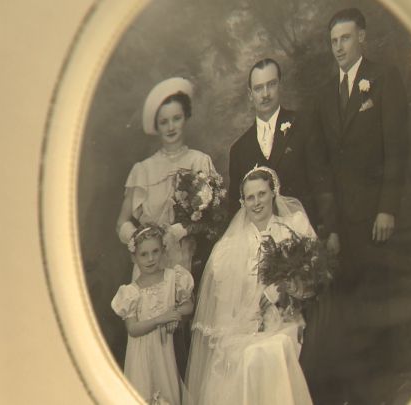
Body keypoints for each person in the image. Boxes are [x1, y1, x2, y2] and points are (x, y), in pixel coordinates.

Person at [308, 7, 410, 404]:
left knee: (377, 306)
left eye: (346, 39)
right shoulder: (323, 94)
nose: (339, 48)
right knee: (347, 311)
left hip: (375, 219)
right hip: (342, 225)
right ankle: (355, 392)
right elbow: (321, 166)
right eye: (333, 42)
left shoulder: (383, 80)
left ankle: (382, 392)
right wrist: (329, 226)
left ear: (362, 38)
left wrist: (388, 207)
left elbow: (397, 149)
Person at [115, 77, 219, 376]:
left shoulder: (200, 162)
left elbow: (210, 217)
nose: (171, 127)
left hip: (186, 261)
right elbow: (122, 222)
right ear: (156, 127)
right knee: (152, 350)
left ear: (185, 118)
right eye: (164, 122)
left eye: (176, 118)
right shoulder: (143, 170)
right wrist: (140, 239)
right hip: (149, 266)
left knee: (184, 342)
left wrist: (181, 230)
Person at [186, 167, 315, 405]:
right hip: (241, 327)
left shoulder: (292, 229)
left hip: (285, 320)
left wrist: (283, 288)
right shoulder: (228, 247)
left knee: (273, 349)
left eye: (262, 194)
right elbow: (225, 307)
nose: (257, 203)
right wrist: (244, 322)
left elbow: (309, 285)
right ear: (242, 202)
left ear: (274, 193)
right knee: (246, 355)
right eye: (250, 197)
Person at [227, 58, 337, 244]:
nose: (265, 94)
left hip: (306, 235)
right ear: (250, 94)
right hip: (260, 244)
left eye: (271, 85)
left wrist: (332, 230)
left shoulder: (304, 125)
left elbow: (322, 182)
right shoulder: (239, 149)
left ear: (280, 85)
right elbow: (235, 208)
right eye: (258, 88)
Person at [111, 223, 194, 405]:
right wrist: (162, 319)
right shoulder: (131, 292)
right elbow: (133, 328)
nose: (150, 259)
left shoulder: (174, 278)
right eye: (144, 254)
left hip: (164, 352)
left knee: (168, 395)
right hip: (140, 356)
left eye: (155, 252)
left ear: (164, 251)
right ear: (134, 257)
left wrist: (175, 313)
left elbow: (188, 305)